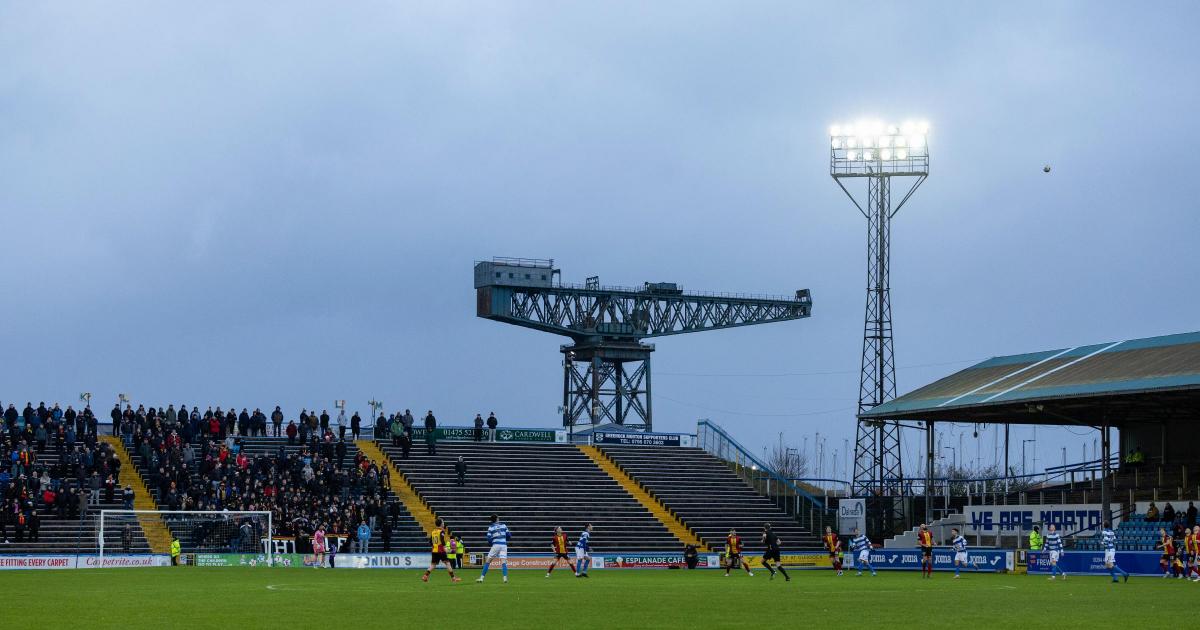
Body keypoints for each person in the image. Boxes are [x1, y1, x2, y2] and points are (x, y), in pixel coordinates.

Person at [422, 518, 460, 583]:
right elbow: (442, 541)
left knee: (433, 565)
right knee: (448, 563)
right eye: (443, 522)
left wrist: (435, 546)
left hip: (434, 550)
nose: (443, 523)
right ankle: (453, 578)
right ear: (441, 524)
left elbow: (430, 542)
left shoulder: (433, 531)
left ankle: (425, 576)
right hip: (441, 551)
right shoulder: (441, 531)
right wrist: (446, 548)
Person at [477, 514, 511, 583]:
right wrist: (504, 539)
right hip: (504, 545)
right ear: (497, 519)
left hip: (496, 545)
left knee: (488, 561)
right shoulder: (503, 525)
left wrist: (492, 543)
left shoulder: (491, 527)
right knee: (503, 562)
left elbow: (488, 538)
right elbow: (509, 535)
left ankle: (481, 578)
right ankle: (505, 578)